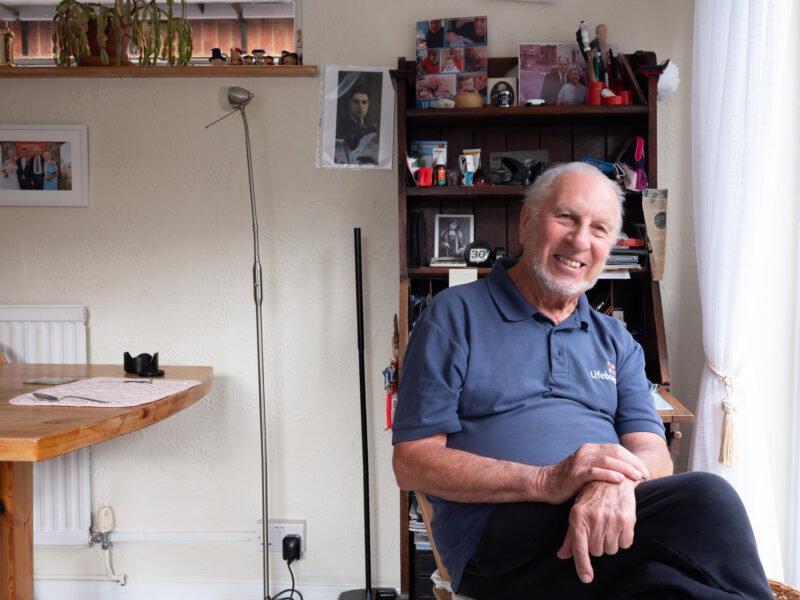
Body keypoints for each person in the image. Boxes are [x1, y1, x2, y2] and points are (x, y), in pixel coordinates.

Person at [392, 162, 773, 600]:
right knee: (709, 498)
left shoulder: (616, 340)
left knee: (668, 588)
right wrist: (548, 480)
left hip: (604, 533)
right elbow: (412, 462)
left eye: (599, 229)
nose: (579, 240)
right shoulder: (452, 317)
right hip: (499, 540)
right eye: (566, 217)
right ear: (527, 221)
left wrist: (608, 484)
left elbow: (652, 451)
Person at [335, 87, 379, 165]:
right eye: (356, 102)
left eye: (364, 102)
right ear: (349, 103)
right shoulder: (339, 126)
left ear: (368, 105)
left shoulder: (372, 129)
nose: (360, 106)